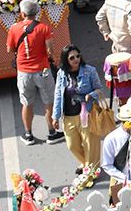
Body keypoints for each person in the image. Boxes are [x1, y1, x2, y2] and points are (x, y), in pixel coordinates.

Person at [5, 0, 62, 145]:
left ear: (22, 13)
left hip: (23, 72)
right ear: (36, 13)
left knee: (27, 103)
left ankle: (28, 134)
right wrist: (54, 60)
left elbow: (10, 49)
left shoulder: (13, 28)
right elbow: (50, 50)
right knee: (48, 102)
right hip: (42, 69)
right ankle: (52, 132)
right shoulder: (44, 28)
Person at [53, 44, 107, 174]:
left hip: (87, 113)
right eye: (72, 58)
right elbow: (58, 94)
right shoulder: (61, 73)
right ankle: (85, 163)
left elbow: (99, 89)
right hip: (69, 116)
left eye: (78, 56)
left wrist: (91, 95)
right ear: (66, 60)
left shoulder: (90, 71)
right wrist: (55, 116)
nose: (76, 59)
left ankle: (91, 171)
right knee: (72, 145)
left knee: (90, 145)